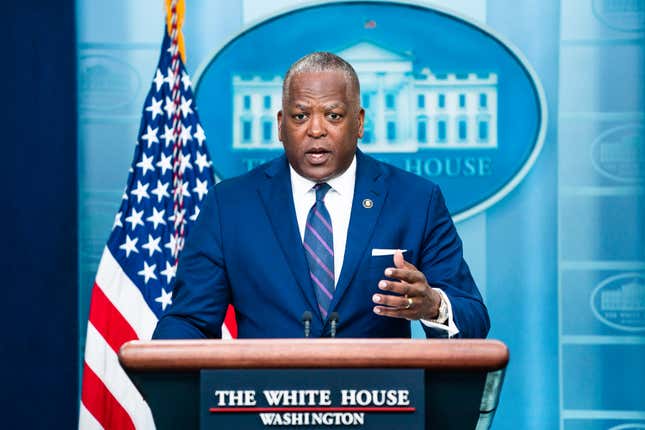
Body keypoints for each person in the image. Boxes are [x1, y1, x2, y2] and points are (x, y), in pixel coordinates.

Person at [153, 52, 489, 340]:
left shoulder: (415, 200)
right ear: (281, 125)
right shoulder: (229, 205)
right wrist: (162, 363)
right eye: (300, 116)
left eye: (333, 115)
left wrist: (433, 305)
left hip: (381, 405)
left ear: (358, 123)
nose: (315, 129)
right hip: (262, 406)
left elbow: (473, 316)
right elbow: (190, 320)